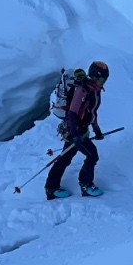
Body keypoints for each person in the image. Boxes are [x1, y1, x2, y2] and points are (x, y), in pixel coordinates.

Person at [45, 60, 109, 200]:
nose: (103, 82)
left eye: (105, 79)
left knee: (66, 157)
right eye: (102, 79)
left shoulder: (95, 91)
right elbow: (72, 114)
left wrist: (96, 130)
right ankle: (85, 185)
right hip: (74, 130)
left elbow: (92, 112)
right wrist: (75, 135)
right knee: (92, 155)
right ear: (94, 76)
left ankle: (52, 187)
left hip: (81, 130)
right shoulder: (82, 90)